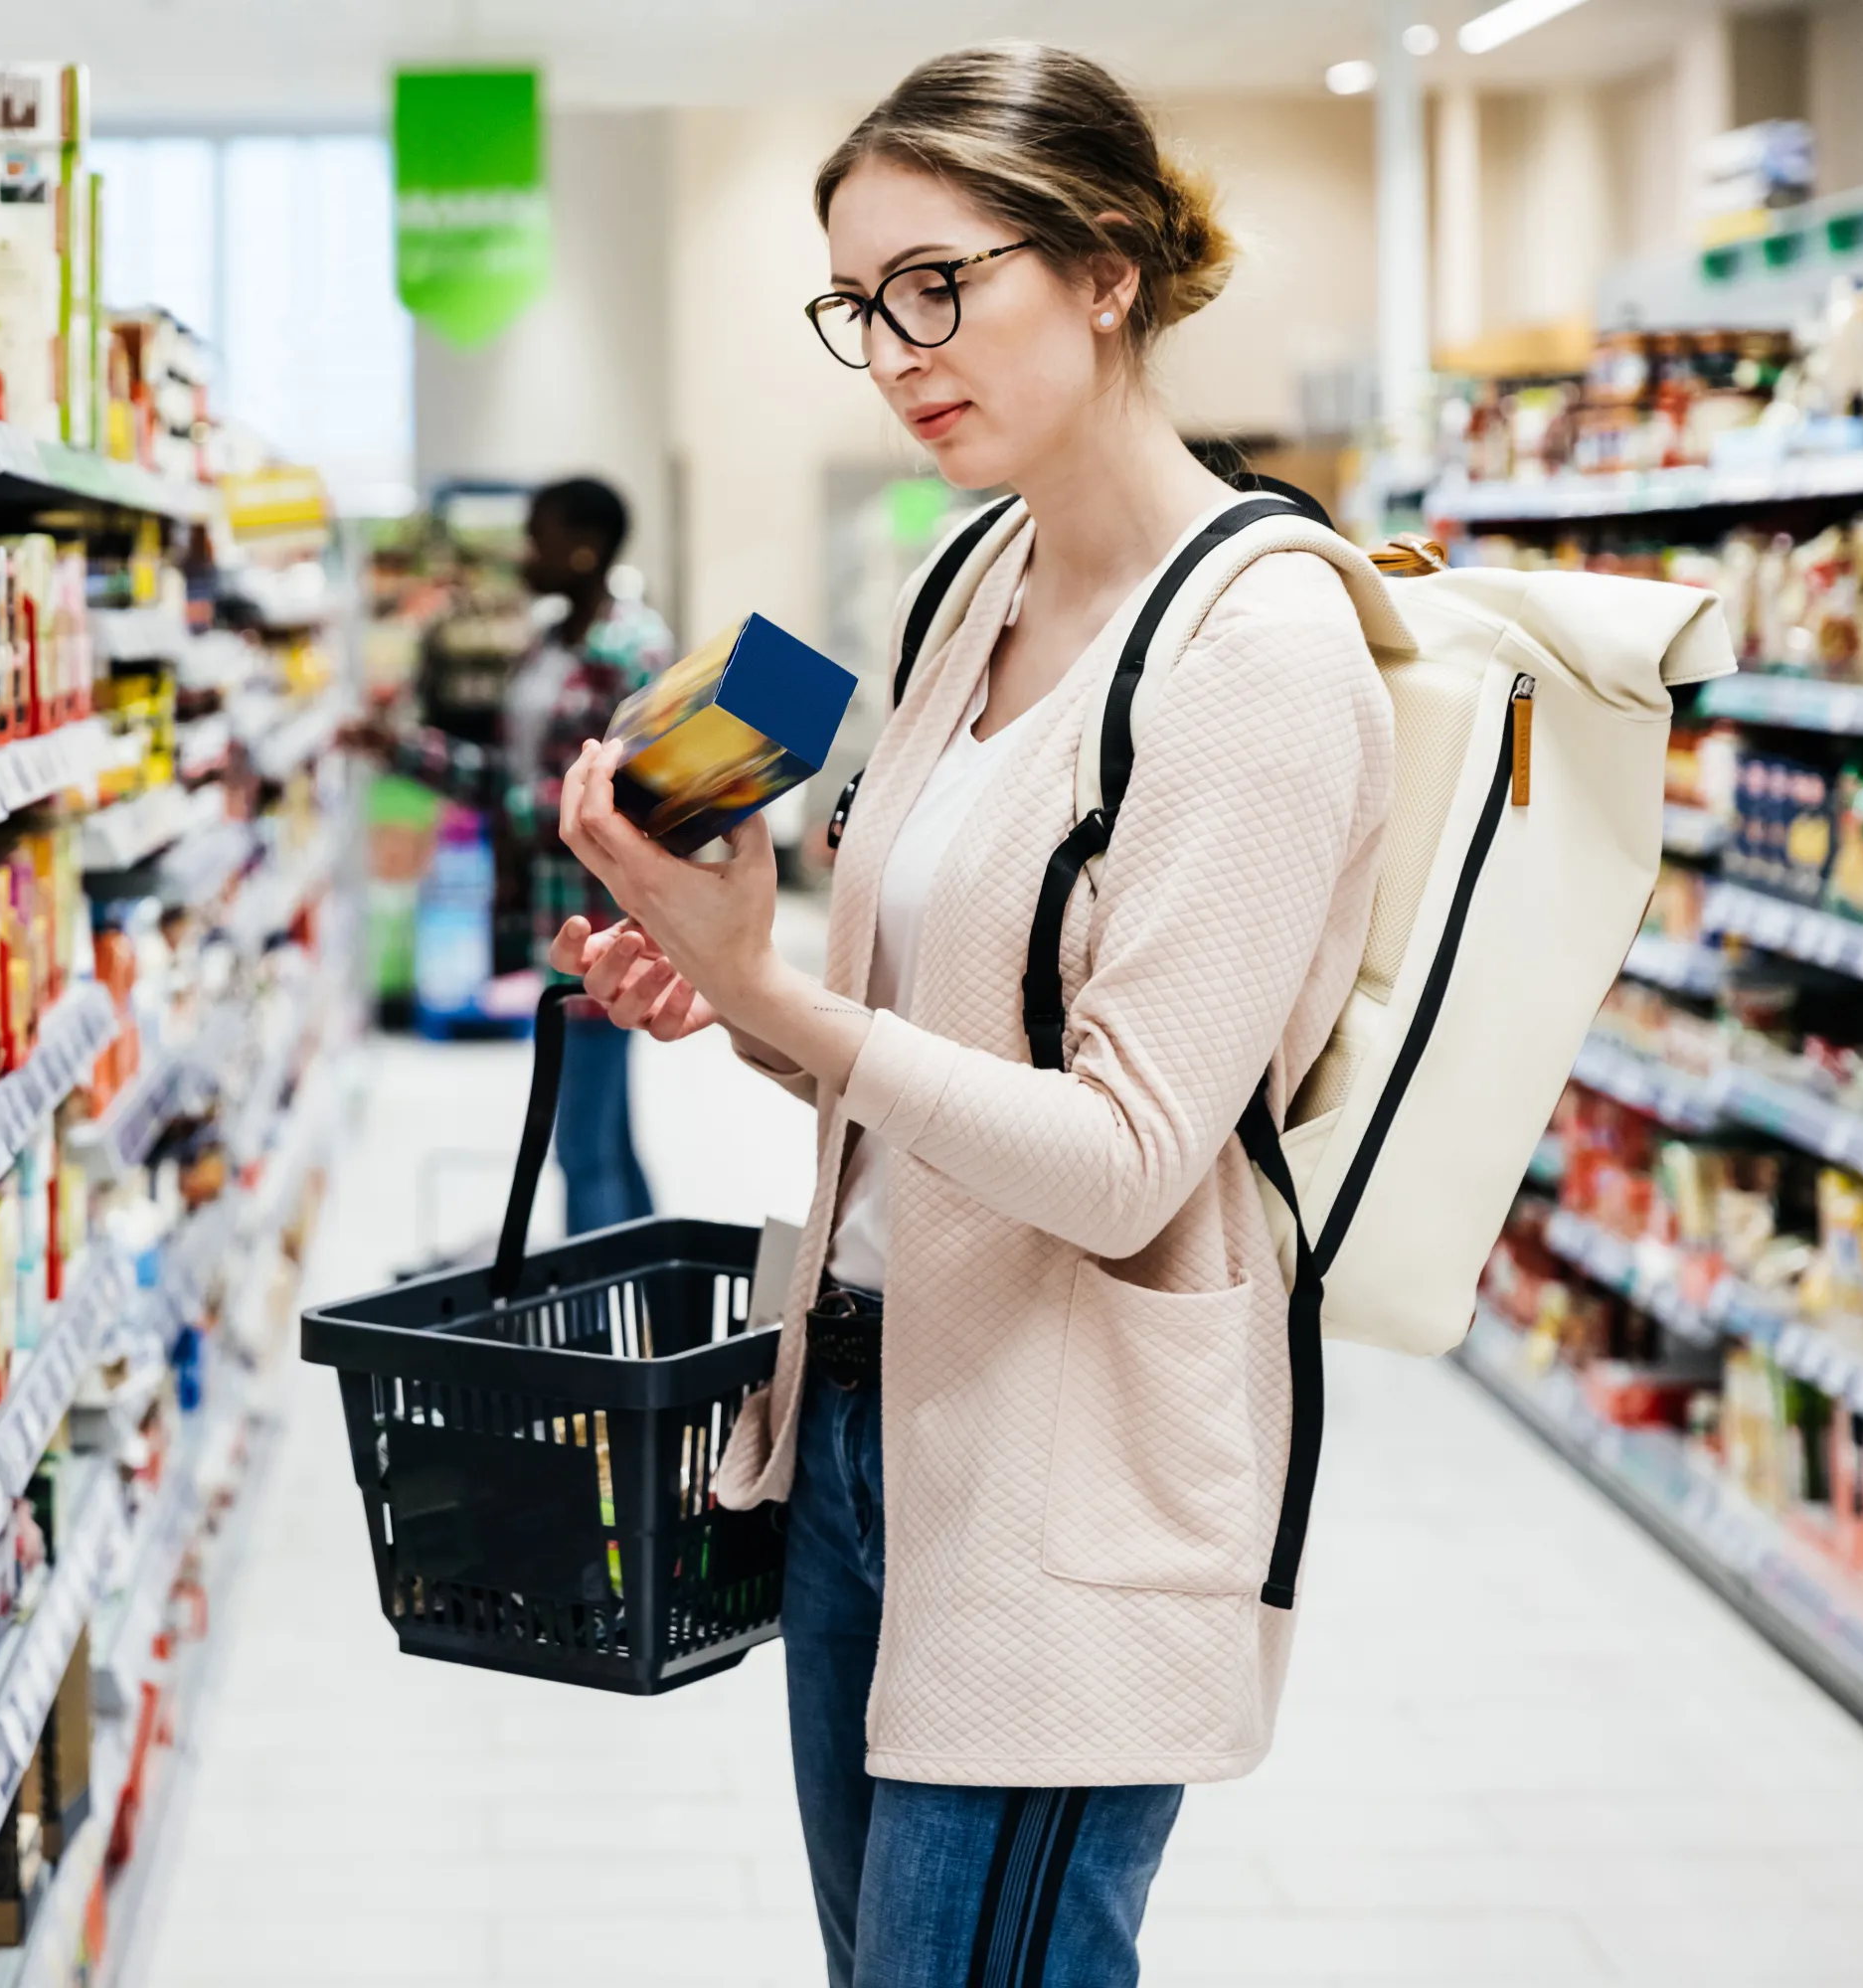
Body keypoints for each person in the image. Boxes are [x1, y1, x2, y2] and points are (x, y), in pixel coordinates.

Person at [548, 44, 1395, 1988]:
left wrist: (786, 993)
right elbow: (911, 1042)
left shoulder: (1257, 655)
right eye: (861, 306)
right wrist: (733, 995)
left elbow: (1120, 1158)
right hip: (857, 1408)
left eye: (942, 283)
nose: (900, 348)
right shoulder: (967, 579)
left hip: (1068, 1464)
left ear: (1106, 267)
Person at [389, 477, 674, 1233]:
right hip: (554, 914)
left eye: (537, 535)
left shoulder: (633, 649)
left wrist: (521, 809)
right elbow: (509, 781)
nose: (522, 553)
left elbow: (633, 794)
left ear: (584, 547)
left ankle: (597, 1331)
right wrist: (399, 749)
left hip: (608, 921)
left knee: (582, 1144)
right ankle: (650, 1293)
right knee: (603, 1132)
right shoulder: (548, 645)